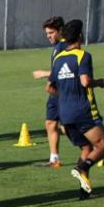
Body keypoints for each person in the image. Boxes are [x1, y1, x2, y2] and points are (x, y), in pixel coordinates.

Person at [47, 19, 104, 199]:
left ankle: (84, 192)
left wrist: (65, 96)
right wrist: (100, 82)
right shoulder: (83, 56)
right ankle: (82, 168)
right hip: (83, 111)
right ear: (80, 36)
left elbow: (49, 87)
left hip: (64, 114)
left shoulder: (58, 58)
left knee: (86, 148)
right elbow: (85, 81)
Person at [33, 17, 67, 168]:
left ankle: (97, 149)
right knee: (50, 123)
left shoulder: (65, 46)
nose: (49, 36)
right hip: (54, 91)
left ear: (61, 31)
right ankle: (54, 159)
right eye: (47, 33)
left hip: (63, 91)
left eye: (51, 32)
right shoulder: (57, 46)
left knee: (68, 128)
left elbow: (64, 70)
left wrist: (45, 73)